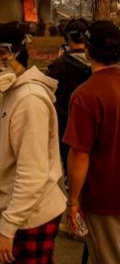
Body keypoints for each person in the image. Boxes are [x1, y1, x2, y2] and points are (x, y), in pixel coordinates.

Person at [0, 25, 66, 264]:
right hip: (29, 209)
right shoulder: (12, 92)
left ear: (19, 54)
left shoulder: (28, 100)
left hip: (33, 213)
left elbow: (33, 173)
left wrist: (8, 226)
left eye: (1, 52)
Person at [64, 21, 120, 264]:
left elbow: (80, 155)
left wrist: (73, 200)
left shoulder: (86, 95)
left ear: (87, 50)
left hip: (105, 199)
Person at [46, 18, 91, 176]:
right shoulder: (97, 65)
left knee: (72, 176)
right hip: (94, 130)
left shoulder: (59, 66)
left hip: (67, 130)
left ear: (68, 38)